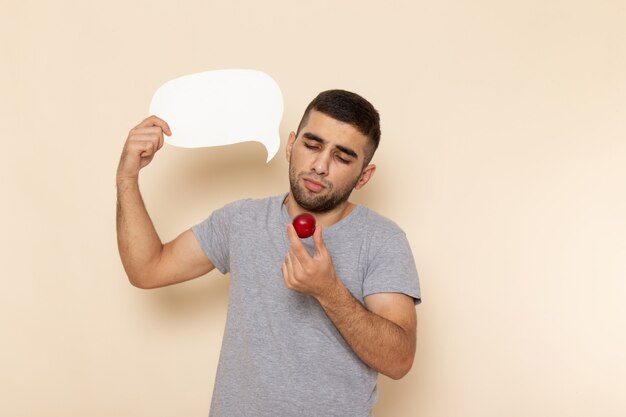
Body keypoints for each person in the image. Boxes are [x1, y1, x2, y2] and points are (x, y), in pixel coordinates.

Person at [116, 89, 421, 417]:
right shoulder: (241, 221)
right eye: (312, 145)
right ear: (291, 145)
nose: (319, 166)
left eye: (342, 157)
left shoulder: (382, 240)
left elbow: (399, 360)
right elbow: (147, 269)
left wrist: (328, 290)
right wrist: (127, 177)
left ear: (364, 176)